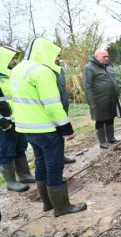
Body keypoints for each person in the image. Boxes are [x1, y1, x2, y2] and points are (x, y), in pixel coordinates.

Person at [10, 37, 87, 217]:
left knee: (40, 164)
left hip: (27, 129)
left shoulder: (18, 69)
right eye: (56, 55)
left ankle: (47, 204)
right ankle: (62, 207)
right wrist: (67, 129)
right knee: (54, 166)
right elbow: (52, 105)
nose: (58, 59)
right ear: (45, 52)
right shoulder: (42, 71)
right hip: (46, 129)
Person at [0, 46, 35, 192]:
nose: (15, 61)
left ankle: (24, 174)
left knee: (21, 147)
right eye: (12, 58)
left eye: (15, 58)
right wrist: (3, 122)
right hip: (5, 123)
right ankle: (10, 181)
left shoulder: (12, 75)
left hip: (18, 119)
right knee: (6, 151)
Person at [82, 49, 121, 149]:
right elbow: (87, 86)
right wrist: (91, 102)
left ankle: (111, 138)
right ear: (96, 57)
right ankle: (103, 142)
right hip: (98, 100)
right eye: (104, 57)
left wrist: (117, 93)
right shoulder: (89, 68)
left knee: (110, 118)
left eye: (107, 56)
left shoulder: (107, 67)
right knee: (100, 120)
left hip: (110, 98)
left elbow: (113, 81)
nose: (106, 58)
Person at [55, 55, 76, 164]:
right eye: (56, 56)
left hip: (62, 108)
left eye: (59, 56)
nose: (59, 59)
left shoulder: (60, 70)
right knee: (53, 138)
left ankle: (61, 156)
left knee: (61, 136)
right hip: (53, 109)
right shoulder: (46, 72)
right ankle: (56, 160)